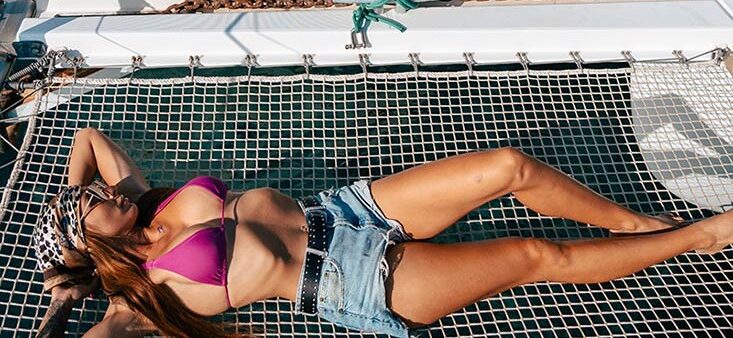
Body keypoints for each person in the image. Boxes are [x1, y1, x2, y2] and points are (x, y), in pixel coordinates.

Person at [33, 127, 733, 338]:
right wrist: (63, 305)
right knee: (533, 255)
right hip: (359, 281)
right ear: (88, 240)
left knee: (506, 166)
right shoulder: (141, 302)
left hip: (344, 213)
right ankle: (697, 238)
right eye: (84, 205)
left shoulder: (139, 205)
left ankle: (635, 221)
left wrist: (66, 241)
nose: (96, 193)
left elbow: (90, 140)